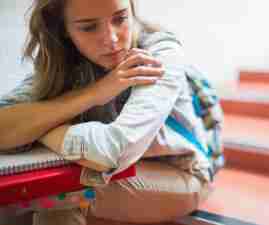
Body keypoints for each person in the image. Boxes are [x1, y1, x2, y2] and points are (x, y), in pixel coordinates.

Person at [0, 0, 215, 224]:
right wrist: (94, 93)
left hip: (181, 172)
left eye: (120, 19)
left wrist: (40, 128)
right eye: (88, 27)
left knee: (56, 196)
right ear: (64, 29)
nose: (112, 39)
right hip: (109, 171)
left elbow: (112, 152)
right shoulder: (64, 62)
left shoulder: (158, 53)